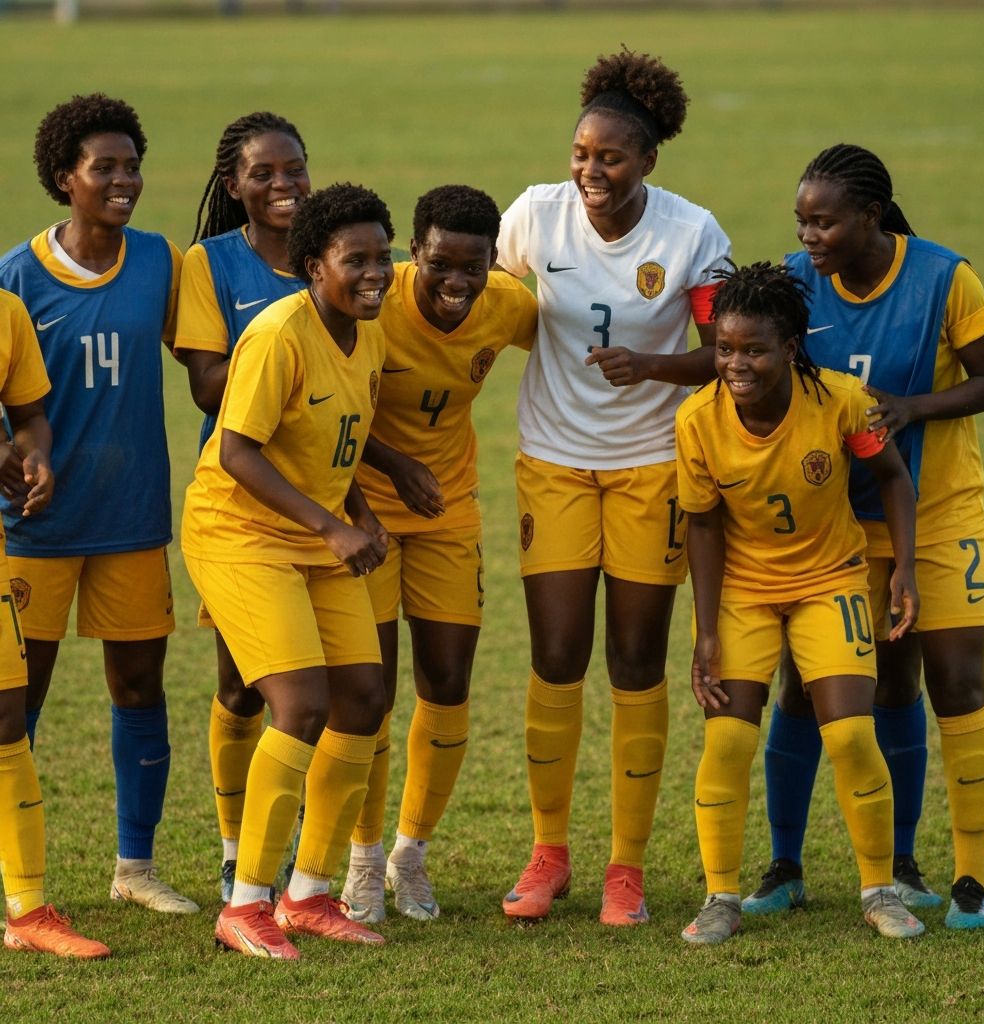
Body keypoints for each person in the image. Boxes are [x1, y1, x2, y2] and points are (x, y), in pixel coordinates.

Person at [742, 144, 984, 930]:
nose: (808, 235)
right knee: (806, 685)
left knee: (946, 683)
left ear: (870, 216)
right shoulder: (797, 282)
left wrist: (913, 407)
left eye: (823, 222)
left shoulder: (944, 277)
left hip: (939, 511)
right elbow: (750, 362)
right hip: (836, 526)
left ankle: (958, 875)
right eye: (801, 220)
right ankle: (785, 866)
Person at [496, 47, 731, 927]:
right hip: (553, 461)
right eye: (581, 154)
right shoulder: (535, 216)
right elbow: (486, 299)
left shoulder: (691, 234)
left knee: (635, 661)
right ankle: (547, 853)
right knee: (557, 655)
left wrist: (652, 366)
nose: (590, 172)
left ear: (649, 160)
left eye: (611, 158)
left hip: (650, 468)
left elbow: (726, 352)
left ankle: (625, 868)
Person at [676, 260, 925, 944]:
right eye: (725, 348)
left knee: (849, 734)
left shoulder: (842, 400)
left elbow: (892, 478)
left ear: (789, 348)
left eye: (754, 350)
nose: (736, 364)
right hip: (743, 591)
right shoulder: (697, 420)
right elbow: (703, 526)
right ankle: (721, 897)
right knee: (728, 740)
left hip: (830, 581)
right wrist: (705, 632)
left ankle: (879, 891)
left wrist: (903, 568)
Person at [182, 182, 394, 960]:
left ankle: (307, 895)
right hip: (238, 531)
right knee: (300, 704)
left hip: (315, 531)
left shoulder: (368, 334)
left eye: (382, 256)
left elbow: (338, 437)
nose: (375, 273)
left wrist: (360, 513)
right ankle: (246, 905)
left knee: (363, 698)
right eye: (355, 260)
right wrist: (333, 528)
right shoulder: (278, 335)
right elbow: (239, 452)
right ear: (314, 266)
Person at [0, 93, 196, 914]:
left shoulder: (159, 261)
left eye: (132, 166)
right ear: (63, 179)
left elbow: (211, 362)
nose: (124, 181)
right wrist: (16, 456)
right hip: (37, 525)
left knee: (140, 687)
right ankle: (17, 883)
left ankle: (135, 869)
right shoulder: (15, 275)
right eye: (104, 168)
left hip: (132, 517)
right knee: (19, 703)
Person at [337, 185, 537, 923]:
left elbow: (572, 342)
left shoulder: (508, 305)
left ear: (492, 262)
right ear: (412, 253)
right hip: (365, 511)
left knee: (448, 682)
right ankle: (362, 860)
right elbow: (330, 401)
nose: (456, 282)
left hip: (448, 511)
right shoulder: (372, 304)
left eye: (472, 267)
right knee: (371, 691)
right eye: (440, 264)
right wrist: (393, 467)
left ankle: (410, 854)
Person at [173, 110, 311, 903]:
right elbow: (205, 386)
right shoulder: (212, 263)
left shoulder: (333, 256)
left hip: (328, 493)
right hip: (243, 497)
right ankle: (236, 852)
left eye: (294, 169)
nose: (283, 184)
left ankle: (300, 856)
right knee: (240, 687)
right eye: (263, 173)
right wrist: (289, 345)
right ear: (234, 185)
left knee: (321, 691)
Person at [0, 289, 109, 959]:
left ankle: (28, 911)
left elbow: (29, 415)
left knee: (6, 716)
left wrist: (33, 455)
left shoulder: (7, 312)